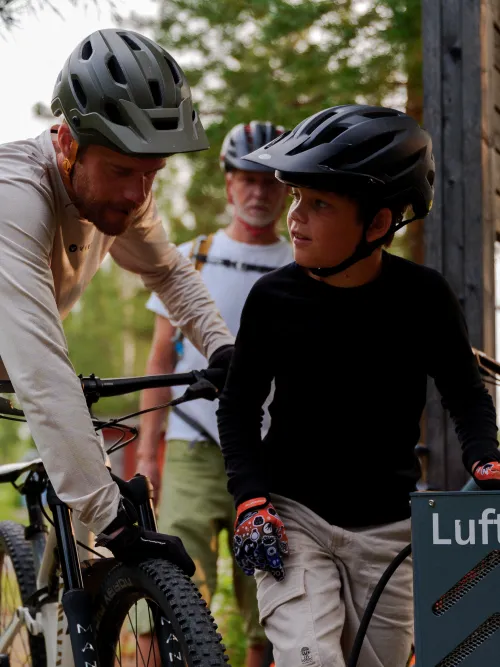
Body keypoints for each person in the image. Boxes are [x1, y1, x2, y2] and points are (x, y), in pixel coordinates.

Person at [216, 104, 500, 667]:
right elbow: (239, 405)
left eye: (318, 203)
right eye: (296, 198)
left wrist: (485, 459)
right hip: (292, 518)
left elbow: (465, 392)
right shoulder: (273, 299)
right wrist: (250, 499)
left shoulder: (424, 298)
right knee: (311, 660)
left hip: (389, 530)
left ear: (377, 224)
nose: (295, 217)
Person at [0, 27, 235, 569]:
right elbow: (40, 370)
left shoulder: (120, 198)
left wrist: (222, 349)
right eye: (122, 171)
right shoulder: (17, 197)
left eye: (152, 173)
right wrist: (111, 522)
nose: (138, 194)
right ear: (66, 144)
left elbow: (169, 272)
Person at [136, 121, 293, 666]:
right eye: (246, 180)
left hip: (271, 450)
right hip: (193, 447)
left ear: (286, 187)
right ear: (228, 185)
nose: (258, 193)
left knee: (270, 592)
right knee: (174, 580)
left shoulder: (303, 266)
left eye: (270, 180)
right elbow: (161, 359)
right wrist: (147, 456)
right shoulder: (193, 257)